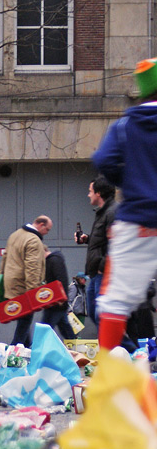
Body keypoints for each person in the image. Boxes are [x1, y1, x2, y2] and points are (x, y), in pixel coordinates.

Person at [92, 56, 157, 352]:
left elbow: (103, 160)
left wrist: (131, 180)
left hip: (138, 221)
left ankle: (110, 374)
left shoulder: (125, 126)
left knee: (115, 301)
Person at [1, 215, 52, 346]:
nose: (47, 233)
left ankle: (27, 350)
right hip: (23, 286)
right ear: (41, 225)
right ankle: (12, 352)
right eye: (47, 229)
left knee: (24, 322)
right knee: (24, 323)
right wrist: (34, 294)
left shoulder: (14, 235)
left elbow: (4, 259)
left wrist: (2, 279)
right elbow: (32, 268)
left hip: (11, 285)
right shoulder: (33, 240)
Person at [74, 175, 116, 325]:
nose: (88, 194)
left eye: (90, 191)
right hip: (96, 273)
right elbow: (103, 239)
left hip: (103, 273)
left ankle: (123, 347)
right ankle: (116, 346)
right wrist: (87, 238)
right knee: (94, 313)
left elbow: (116, 243)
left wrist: (102, 267)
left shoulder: (112, 213)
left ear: (98, 193)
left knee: (102, 316)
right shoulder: (102, 213)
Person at [39, 247, 76, 340]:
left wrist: (60, 298)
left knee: (45, 328)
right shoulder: (53, 260)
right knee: (65, 328)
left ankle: (38, 346)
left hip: (56, 302)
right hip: (56, 302)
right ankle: (76, 347)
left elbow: (61, 280)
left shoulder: (54, 261)